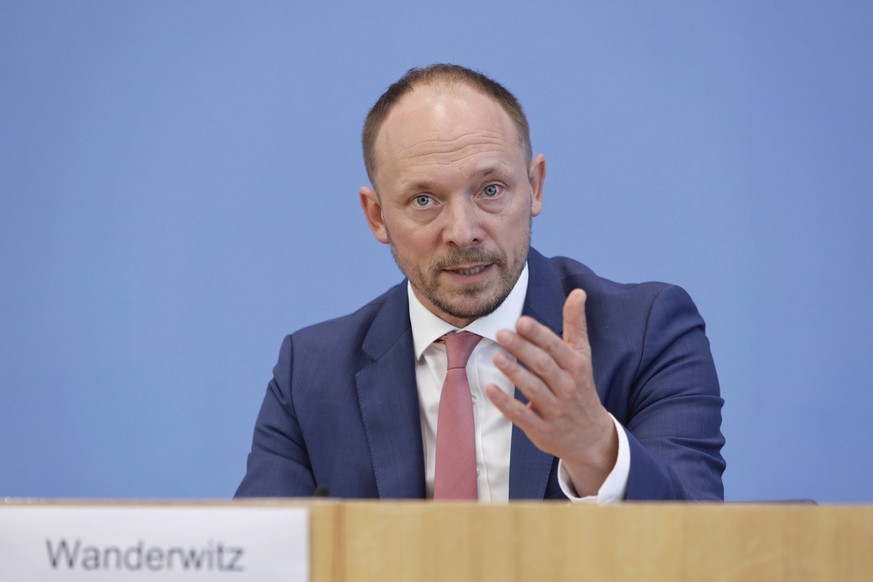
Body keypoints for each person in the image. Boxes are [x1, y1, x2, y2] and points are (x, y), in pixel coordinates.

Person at [235, 64, 725, 502]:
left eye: (491, 190)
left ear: (534, 187)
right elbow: (256, 556)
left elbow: (704, 545)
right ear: (376, 215)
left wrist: (596, 447)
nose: (463, 231)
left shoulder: (646, 333)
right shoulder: (313, 373)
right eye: (424, 200)